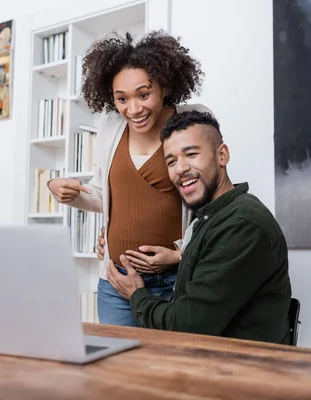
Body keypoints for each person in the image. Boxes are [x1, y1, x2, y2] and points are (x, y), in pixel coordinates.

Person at [47, 30, 213, 326]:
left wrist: (180, 254)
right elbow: (106, 196)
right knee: (115, 369)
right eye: (121, 98)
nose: (133, 109)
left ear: (164, 85)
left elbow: (216, 204)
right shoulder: (110, 124)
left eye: (144, 94)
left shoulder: (193, 121)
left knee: (169, 368)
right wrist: (62, 189)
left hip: (176, 281)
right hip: (115, 282)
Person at [106, 110, 293, 344]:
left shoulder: (242, 224)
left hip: (237, 370)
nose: (180, 168)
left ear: (222, 155)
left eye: (191, 154)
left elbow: (186, 327)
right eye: (171, 161)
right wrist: (180, 257)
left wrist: (136, 294)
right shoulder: (211, 216)